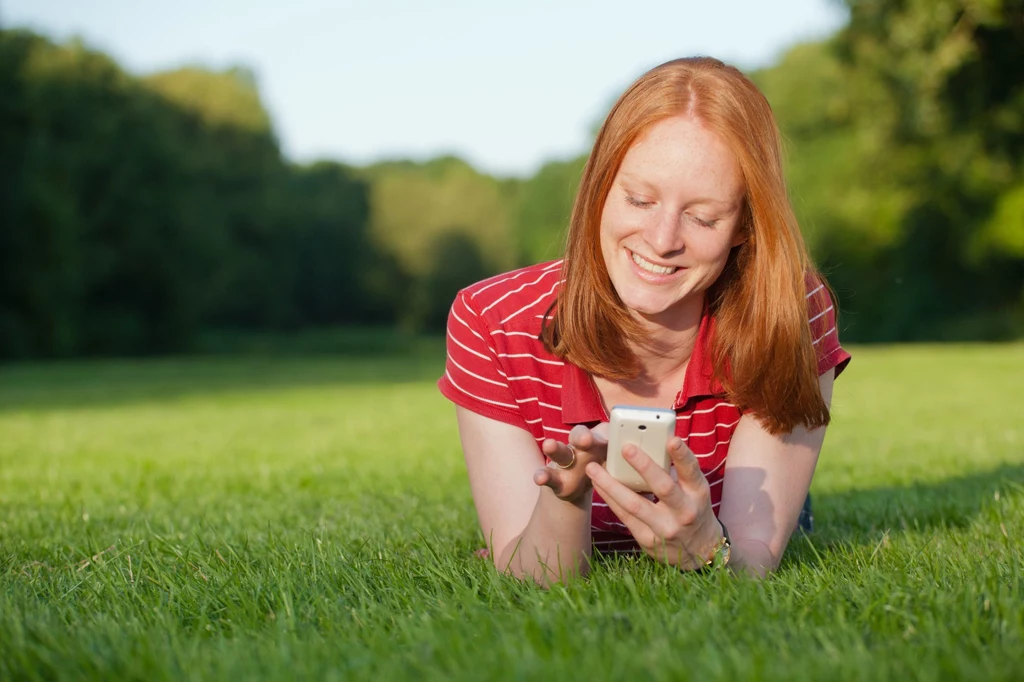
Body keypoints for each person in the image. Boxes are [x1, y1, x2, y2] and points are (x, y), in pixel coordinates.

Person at [438, 57, 850, 585]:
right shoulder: (491, 320)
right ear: (600, 189)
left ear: (745, 225)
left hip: (726, 511)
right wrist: (568, 499)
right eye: (639, 199)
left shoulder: (791, 309)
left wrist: (709, 546)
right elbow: (532, 576)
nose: (661, 240)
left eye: (702, 217)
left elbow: (747, 567)